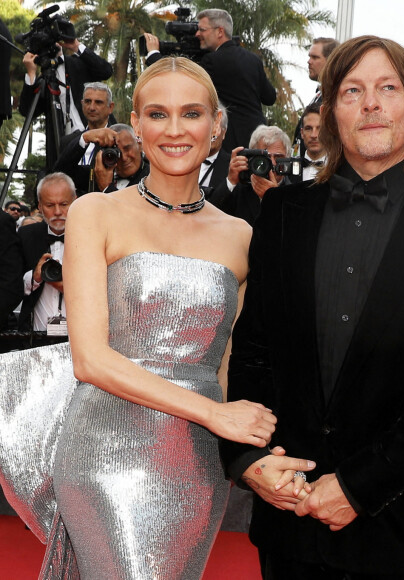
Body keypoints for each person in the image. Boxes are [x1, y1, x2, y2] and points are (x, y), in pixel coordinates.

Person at [0, 55, 317, 580]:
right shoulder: (95, 212)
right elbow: (91, 360)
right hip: (105, 449)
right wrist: (214, 413)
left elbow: (228, 367)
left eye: (191, 113)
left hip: (194, 466)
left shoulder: (240, 236)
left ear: (217, 126)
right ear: (136, 125)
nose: (174, 130)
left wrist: (249, 453)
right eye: (157, 114)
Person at [220, 35, 404, 580]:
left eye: (387, 88)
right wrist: (249, 460)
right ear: (329, 113)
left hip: (401, 524)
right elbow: (254, 348)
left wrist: (358, 486)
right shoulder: (282, 212)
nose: (370, 103)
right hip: (288, 512)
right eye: (352, 90)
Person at [19, 28, 112, 167]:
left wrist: (75, 45)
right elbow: (27, 111)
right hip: (64, 148)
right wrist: (31, 74)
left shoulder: (78, 64)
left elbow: (106, 71)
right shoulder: (43, 80)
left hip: (98, 138)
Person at [193, 8, 276, 152]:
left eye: (202, 29)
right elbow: (270, 97)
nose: (197, 34)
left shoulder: (211, 61)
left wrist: (154, 56)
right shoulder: (253, 59)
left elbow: (188, 87)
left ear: (220, 31)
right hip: (258, 138)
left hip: (231, 142)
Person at [17, 172, 76, 338]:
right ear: (40, 206)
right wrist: (35, 277)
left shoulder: (91, 235)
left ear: (75, 201)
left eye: (64, 204)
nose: (57, 211)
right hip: (34, 337)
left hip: (80, 338)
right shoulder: (25, 235)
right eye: (50, 205)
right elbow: (11, 284)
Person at [211, 124, 292, 226]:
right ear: (251, 158)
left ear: (288, 158)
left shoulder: (294, 193)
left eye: (278, 157)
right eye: (265, 157)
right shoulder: (239, 189)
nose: (272, 163)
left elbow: (292, 231)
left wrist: (273, 197)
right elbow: (211, 216)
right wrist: (230, 181)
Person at [53, 82, 116, 195]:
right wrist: (84, 139)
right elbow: (58, 174)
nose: (92, 107)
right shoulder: (69, 142)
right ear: (82, 104)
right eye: (87, 101)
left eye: (98, 102)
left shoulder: (120, 139)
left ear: (110, 107)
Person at [292, 37, 339, 157]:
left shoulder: (335, 97)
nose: (309, 61)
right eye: (309, 56)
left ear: (330, 61)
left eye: (315, 57)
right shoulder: (320, 94)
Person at [93, 123, 150, 192]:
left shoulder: (153, 177)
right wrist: (84, 137)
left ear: (140, 146)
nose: (124, 158)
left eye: (127, 149)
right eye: (117, 152)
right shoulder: (99, 173)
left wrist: (106, 188)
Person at [297, 102, 326, 182]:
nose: (314, 135)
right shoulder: (290, 170)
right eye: (309, 128)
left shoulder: (339, 169)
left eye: (319, 128)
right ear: (302, 133)